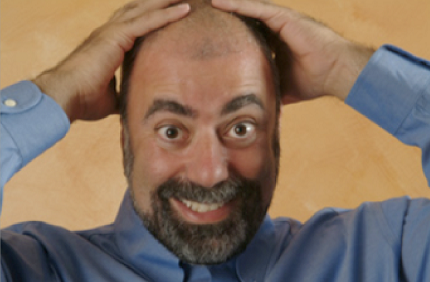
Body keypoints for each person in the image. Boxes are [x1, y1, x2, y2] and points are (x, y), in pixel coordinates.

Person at [1, 0, 430, 281]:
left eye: (241, 127)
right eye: (172, 131)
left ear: (275, 130)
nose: (210, 172)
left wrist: (343, 66)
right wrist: (56, 89)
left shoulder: (388, 253)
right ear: (124, 137)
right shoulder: (37, 268)